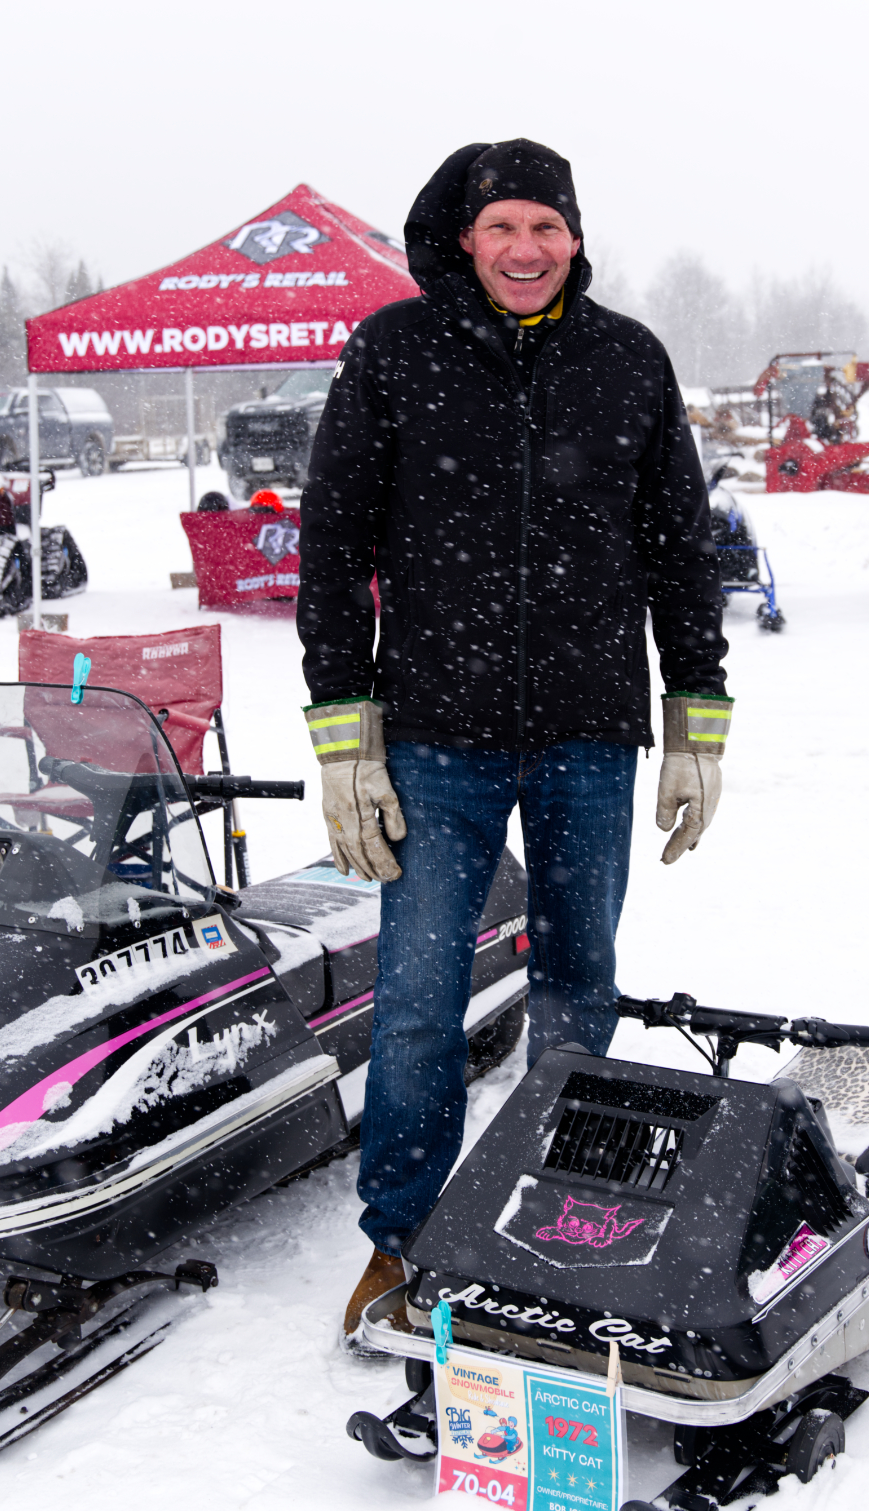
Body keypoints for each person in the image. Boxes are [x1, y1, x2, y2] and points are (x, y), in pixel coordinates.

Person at [297, 140, 733, 1344]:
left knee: (576, 985)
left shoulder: (629, 359)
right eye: (504, 230)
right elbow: (333, 546)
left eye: (548, 228)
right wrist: (346, 736)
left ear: (576, 237)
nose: (528, 251)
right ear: (463, 237)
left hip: (591, 734)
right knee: (422, 998)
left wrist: (698, 717)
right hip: (437, 740)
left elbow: (681, 552)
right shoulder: (394, 354)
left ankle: (549, 1226)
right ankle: (400, 1234)